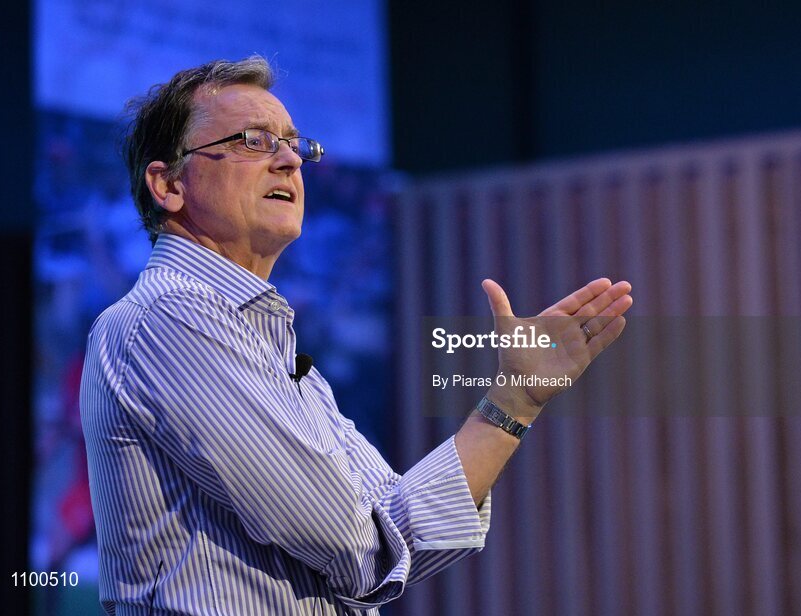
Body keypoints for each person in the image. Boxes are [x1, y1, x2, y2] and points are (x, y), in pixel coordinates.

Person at [80, 56, 632, 615]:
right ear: (169, 183)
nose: (290, 160)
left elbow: (393, 529)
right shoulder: (170, 319)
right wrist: (375, 534)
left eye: (296, 145)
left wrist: (516, 398)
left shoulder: (274, 347)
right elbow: (354, 546)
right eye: (253, 141)